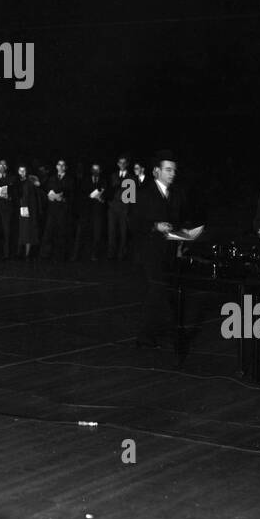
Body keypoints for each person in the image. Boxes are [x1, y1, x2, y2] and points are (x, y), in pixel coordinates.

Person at [129, 151, 204, 362]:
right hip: (149, 252)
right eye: (168, 170)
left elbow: (182, 218)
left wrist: (186, 233)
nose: (172, 174)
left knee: (167, 294)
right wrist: (155, 225)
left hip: (171, 251)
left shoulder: (177, 193)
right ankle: (145, 337)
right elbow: (133, 222)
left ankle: (161, 335)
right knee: (157, 291)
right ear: (156, 171)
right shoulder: (143, 193)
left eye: (174, 170)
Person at [72, 161, 108, 261]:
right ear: (91, 170)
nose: (95, 171)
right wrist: (89, 196)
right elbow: (80, 194)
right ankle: (76, 254)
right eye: (94, 169)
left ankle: (94, 255)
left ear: (100, 170)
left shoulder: (104, 181)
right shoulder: (85, 180)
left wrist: (102, 198)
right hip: (86, 211)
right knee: (80, 233)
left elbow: (107, 194)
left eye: (97, 169)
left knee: (97, 234)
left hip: (98, 211)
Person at [106, 155, 135, 261]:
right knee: (111, 231)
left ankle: (121, 254)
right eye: (120, 163)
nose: (122, 165)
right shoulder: (113, 176)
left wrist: (129, 209)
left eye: (124, 163)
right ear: (118, 164)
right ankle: (111, 254)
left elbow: (132, 196)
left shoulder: (131, 177)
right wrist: (110, 203)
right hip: (113, 208)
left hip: (124, 208)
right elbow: (109, 190)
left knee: (123, 233)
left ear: (126, 164)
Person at [0, 158, 16, 259]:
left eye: (4, 165)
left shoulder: (12, 178)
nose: (2, 167)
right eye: (0, 165)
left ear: (7, 167)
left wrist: (10, 196)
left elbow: (14, 193)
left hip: (7, 207)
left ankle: (7, 253)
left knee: (7, 230)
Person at [15, 163, 40, 259]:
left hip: (27, 208)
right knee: (19, 231)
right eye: (20, 170)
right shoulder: (16, 181)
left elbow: (32, 196)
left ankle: (27, 254)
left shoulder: (29, 182)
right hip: (17, 209)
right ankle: (18, 252)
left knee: (27, 231)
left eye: (24, 170)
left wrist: (28, 208)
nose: (22, 173)